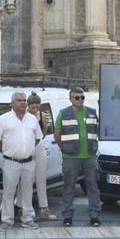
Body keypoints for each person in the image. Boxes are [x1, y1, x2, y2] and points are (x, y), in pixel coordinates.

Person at [0, 92, 42, 230]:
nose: (23, 103)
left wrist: (27, 149)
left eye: (24, 100)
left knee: (27, 192)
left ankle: (28, 219)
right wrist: (7, 151)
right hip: (11, 162)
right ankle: (7, 220)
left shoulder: (32, 119)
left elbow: (37, 137)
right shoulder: (3, 119)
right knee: (8, 192)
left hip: (29, 162)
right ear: (12, 103)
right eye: (19, 100)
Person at [54, 86, 101, 228]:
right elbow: (57, 134)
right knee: (69, 187)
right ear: (71, 99)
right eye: (77, 97)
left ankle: (95, 216)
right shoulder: (63, 114)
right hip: (71, 157)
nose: (80, 100)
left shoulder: (92, 113)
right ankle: (67, 216)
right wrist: (65, 148)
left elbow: (97, 131)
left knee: (93, 187)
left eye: (82, 97)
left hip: (90, 156)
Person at [27, 92, 57, 220]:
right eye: (32, 106)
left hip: (38, 145)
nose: (35, 109)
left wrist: (44, 123)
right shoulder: (23, 116)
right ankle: (23, 209)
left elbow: (43, 135)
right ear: (28, 106)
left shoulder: (42, 115)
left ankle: (44, 209)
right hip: (26, 147)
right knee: (26, 180)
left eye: (37, 106)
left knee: (41, 179)